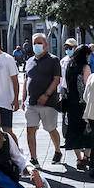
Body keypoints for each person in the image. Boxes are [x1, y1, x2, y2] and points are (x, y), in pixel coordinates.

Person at [22, 33, 63, 166]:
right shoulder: (29, 61)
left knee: (50, 128)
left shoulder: (53, 60)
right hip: (31, 103)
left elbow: (56, 80)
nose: (36, 46)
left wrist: (46, 95)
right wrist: (23, 99)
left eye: (39, 43)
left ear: (46, 45)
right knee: (30, 130)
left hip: (49, 103)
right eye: (34, 43)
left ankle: (57, 150)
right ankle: (34, 159)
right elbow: (26, 80)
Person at [62, 45, 92, 170]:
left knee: (74, 131)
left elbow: (65, 85)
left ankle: (78, 158)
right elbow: (88, 86)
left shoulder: (69, 66)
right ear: (85, 55)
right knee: (89, 131)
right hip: (84, 104)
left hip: (71, 103)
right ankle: (86, 157)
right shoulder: (86, 67)